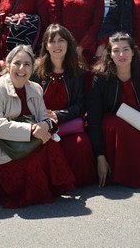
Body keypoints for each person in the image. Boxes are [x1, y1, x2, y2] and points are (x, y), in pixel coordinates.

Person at [0, 45, 75, 207]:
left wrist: (45, 125)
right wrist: (34, 129)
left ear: (32, 68)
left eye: (27, 64)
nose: (22, 68)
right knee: (30, 161)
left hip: (21, 141)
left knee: (50, 147)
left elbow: (44, 117)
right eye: (17, 63)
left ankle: (53, 188)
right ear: (8, 65)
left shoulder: (35, 89)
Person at [87, 32, 140, 188]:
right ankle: (120, 173)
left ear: (133, 52)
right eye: (116, 50)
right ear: (110, 54)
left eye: (126, 49)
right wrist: (100, 157)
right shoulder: (100, 78)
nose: (121, 54)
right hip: (113, 128)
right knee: (115, 124)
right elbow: (93, 118)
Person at [33, 25, 97, 187]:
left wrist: (58, 115)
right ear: (45, 45)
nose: (57, 46)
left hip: (66, 125)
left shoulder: (79, 71)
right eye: (52, 41)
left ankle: (77, 183)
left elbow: (82, 105)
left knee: (81, 144)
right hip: (40, 125)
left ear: (68, 44)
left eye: (61, 41)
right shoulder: (35, 70)